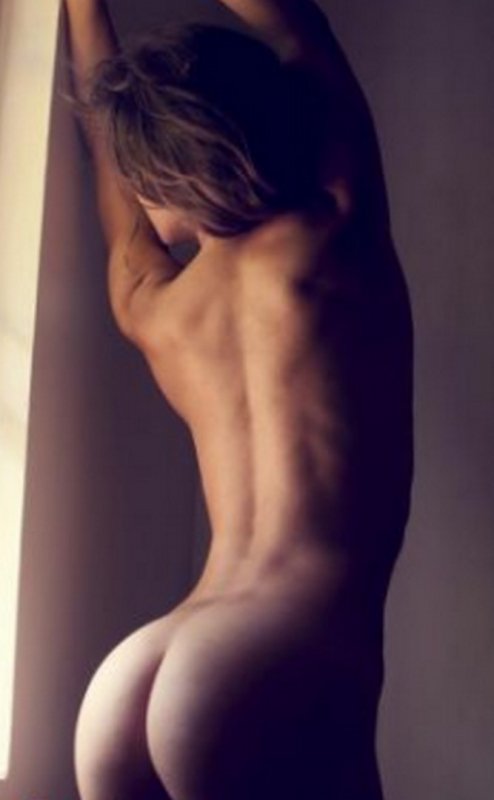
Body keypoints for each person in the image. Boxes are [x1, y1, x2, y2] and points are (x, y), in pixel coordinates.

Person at [65, 1, 414, 798]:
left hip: (137, 674)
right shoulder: (336, 227)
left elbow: (107, 166)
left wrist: (83, 6)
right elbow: (299, 29)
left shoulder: (155, 305)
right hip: (274, 654)